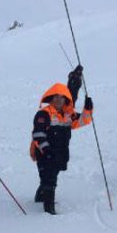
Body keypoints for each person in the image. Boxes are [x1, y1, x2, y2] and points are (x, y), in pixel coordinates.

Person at [30, 83, 93, 215]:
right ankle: (49, 209)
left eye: (61, 97)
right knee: (50, 179)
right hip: (44, 152)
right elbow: (38, 134)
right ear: (51, 99)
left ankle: (40, 196)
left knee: (51, 175)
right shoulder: (43, 114)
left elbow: (83, 121)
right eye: (56, 97)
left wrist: (88, 109)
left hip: (60, 153)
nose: (58, 100)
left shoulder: (68, 115)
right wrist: (46, 150)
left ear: (65, 100)